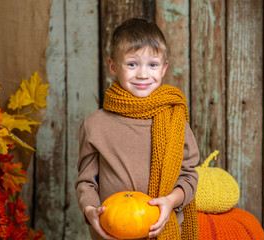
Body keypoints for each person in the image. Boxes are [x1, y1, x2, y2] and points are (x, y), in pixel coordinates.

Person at [75, 18, 200, 240]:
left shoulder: (175, 121)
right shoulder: (95, 125)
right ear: (113, 66)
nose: (143, 74)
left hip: (164, 228)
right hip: (112, 231)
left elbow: (189, 176)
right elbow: (86, 182)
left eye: (152, 64)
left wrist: (171, 201)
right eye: (132, 64)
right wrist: (90, 211)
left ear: (164, 69)